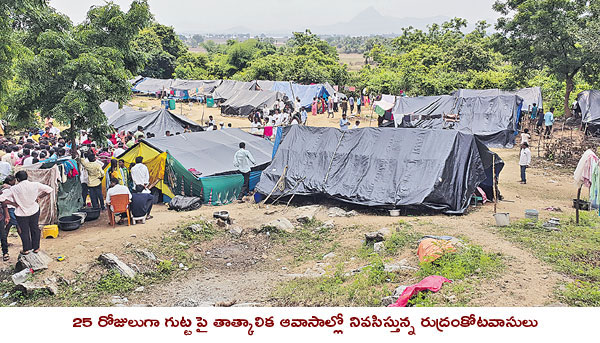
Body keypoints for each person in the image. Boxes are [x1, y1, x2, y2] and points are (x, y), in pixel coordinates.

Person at [0, 171, 52, 255]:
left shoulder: (14, 188)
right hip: (34, 209)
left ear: (17, 179)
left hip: (21, 212)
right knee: (35, 228)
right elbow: (49, 190)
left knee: (24, 231)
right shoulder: (35, 184)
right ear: (27, 177)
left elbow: (1, 198)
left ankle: (26, 249)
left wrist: (13, 204)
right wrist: (39, 197)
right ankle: (36, 248)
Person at [0, 186, 9, 261]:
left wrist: (7, 216)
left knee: (3, 235)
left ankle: (5, 252)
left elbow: (4, 204)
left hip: (0, 218)